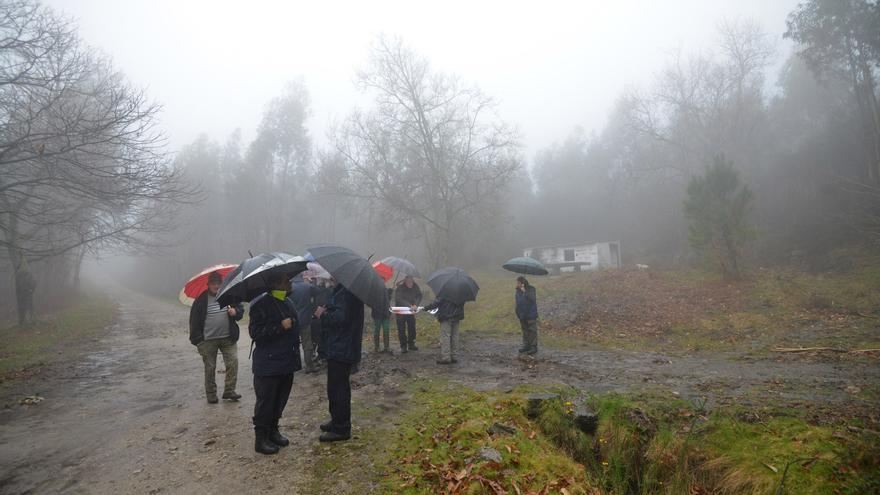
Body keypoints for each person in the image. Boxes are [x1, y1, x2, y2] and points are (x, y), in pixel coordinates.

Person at [248, 272, 301, 455]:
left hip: (286, 361)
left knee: (280, 399)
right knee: (266, 401)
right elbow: (255, 333)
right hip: (268, 364)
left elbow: (295, 327)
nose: (290, 282)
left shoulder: (287, 302)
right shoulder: (260, 305)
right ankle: (260, 438)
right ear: (276, 283)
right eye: (286, 279)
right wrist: (280, 326)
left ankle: (273, 430)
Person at [314, 280, 364, 442]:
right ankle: (336, 420)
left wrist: (323, 314)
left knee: (339, 389)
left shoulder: (347, 293)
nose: (330, 278)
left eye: (333, 276)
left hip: (342, 348)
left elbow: (341, 319)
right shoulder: (345, 291)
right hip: (339, 346)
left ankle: (341, 428)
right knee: (334, 388)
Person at [188, 271, 244, 404]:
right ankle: (211, 394)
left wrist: (235, 312)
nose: (216, 286)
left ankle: (229, 390)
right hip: (208, 340)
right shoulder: (201, 300)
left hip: (228, 338)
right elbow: (194, 321)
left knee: (233, 362)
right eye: (213, 283)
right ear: (208, 285)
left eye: (218, 283)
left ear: (222, 284)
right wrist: (198, 341)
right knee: (210, 368)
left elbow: (240, 312)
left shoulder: (229, 295)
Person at [290, 274, 320, 373]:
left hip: (292, 321)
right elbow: (317, 291)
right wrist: (311, 282)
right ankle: (309, 366)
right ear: (302, 276)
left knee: (293, 344)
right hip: (305, 320)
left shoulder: (289, 287)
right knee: (307, 344)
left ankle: (294, 365)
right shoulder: (307, 286)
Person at [422, 296, 465, 365]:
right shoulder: (461, 291)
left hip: (446, 316)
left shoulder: (445, 291)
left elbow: (437, 302)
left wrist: (426, 308)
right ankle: (454, 356)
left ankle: (446, 358)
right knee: (455, 336)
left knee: (445, 336)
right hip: (457, 316)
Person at [394, 276, 422, 352]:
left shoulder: (415, 286)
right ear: (405, 281)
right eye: (408, 282)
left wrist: (416, 304)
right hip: (401, 312)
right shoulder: (400, 288)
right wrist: (409, 305)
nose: (410, 284)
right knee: (401, 329)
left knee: (412, 328)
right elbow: (398, 299)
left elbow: (419, 296)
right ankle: (403, 346)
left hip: (411, 311)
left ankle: (411, 344)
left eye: (411, 282)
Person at [515, 276, 539, 355]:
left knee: (532, 331)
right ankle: (526, 346)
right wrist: (517, 312)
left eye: (518, 283)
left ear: (523, 283)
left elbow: (532, 299)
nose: (517, 284)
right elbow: (518, 302)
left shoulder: (531, 289)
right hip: (522, 315)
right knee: (525, 331)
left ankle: (533, 347)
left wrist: (525, 292)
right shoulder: (517, 291)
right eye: (517, 283)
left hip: (530, 314)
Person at [371, 288, 394, 354]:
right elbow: (371, 303)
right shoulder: (373, 292)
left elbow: (388, 301)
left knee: (386, 329)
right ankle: (377, 347)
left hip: (385, 314)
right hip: (377, 314)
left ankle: (386, 347)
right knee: (377, 330)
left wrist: (389, 293)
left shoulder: (386, 290)